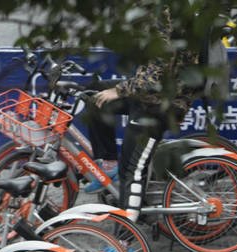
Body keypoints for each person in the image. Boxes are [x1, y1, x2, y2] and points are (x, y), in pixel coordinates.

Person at [80, 7, 201, 214]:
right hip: (150, 95)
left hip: (161, 104)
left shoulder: (163, 17)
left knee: (132, 171)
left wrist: (119, 90)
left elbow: (155, 78)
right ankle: (110, 164)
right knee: (94, 96)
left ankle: (126, 239)